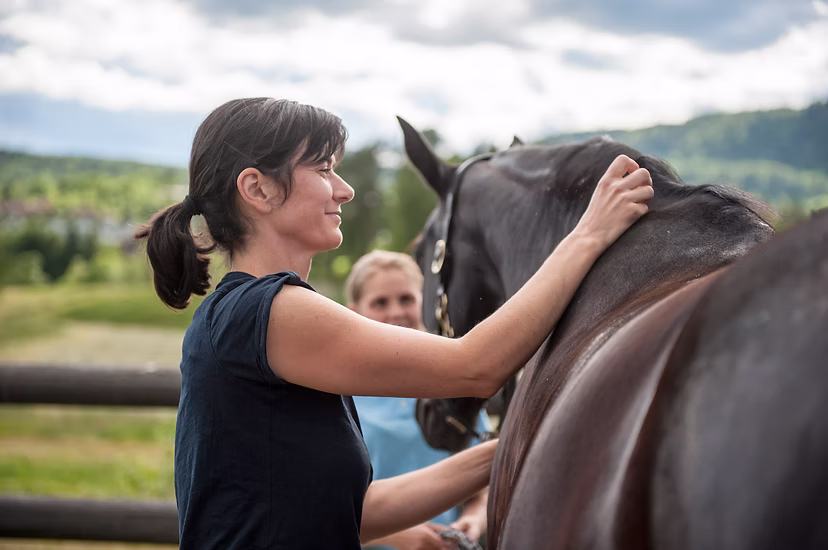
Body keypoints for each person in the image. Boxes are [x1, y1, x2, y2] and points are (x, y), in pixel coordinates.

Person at [135, 97, 653, 550]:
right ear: (258, 189)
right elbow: (476, 366)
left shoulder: (240, 318)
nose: (345, 190)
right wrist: (587, 235)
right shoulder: (268, 311)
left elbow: (358, 512)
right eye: (322, 170)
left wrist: (515, 445)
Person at [347, 250, 491, 549]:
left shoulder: (456, 385)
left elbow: (485, 471)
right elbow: (316, 502)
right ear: (354, 311)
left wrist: (475, 518)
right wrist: (394, 535)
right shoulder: (335, 393)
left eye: (406, 299)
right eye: (380, 303)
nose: (396, 312)